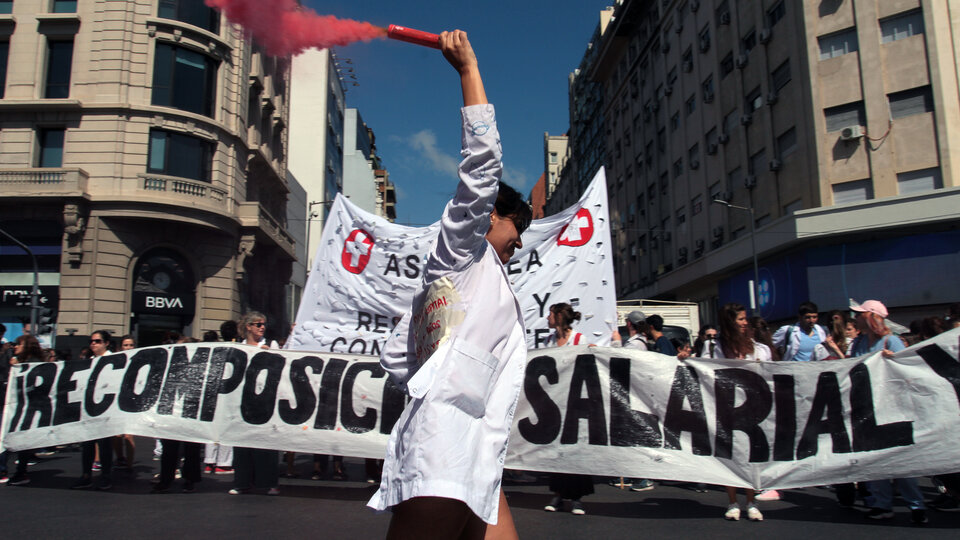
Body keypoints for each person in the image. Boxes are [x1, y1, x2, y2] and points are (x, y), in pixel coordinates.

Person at [368, 30, 530, 540]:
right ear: (489, 218)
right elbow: (481, 170)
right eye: (516, 228)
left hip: (478, 455)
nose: (519, 243)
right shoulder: (460, 252)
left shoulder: (477, 280)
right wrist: (467, 71)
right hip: (442, 453)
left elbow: (397, 360)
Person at [847, 300, 926, 523]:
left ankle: (916, 505)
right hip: (868, 408)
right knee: (876, 460)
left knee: (902, 462)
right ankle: (882, 503)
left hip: (893, 408)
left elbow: (907, 370)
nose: (856, 318)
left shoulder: (891, 341)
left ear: (872, 316)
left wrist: (893, 359)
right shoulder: (858, 343)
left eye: (860, 314)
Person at [715, 303, 769, 520]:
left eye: (745, 319)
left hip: (753, 409)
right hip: (726, 407)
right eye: (740, 319)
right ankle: (732, 501)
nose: (745, 323)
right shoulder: (716, 347)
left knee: (750, 456)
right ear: (730, 322)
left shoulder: (757, 348)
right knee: (729, 455)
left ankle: (751, 501)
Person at [542, 303, 595, 515]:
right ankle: (558, 493)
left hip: (575, 401)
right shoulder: (548, 341)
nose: (547, 318)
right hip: (556, 402)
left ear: (558, 316)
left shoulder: (579, 339)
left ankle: (576, 497)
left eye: (550, 314)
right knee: (557, 450)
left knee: (575, 448)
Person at [230, 311, 280, 496]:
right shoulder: (239, 346)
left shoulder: (270, 345)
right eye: (258, 324)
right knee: (242, 442)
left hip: (265, 399)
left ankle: (268, 482)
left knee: (266, 443)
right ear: (248, 327)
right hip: (243, 399)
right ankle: (242, 481)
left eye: (263, 324)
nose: (262, 327)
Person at [74, 330, 115, 490]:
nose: (93, 344)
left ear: (106, 343)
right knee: (88, 443)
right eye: (92, 341)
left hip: (106, 408)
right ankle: (86, 475)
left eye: (97, 341)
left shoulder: (114, 360)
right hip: (89, 407)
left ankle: (106, 475)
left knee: (105, 444)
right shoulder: (89, 361)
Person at [6, 335, 47, 486]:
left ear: (28, 346)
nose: (15, 347)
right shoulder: (21, 363)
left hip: (28, 408)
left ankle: (20, 471)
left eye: (19, 344)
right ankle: (19, 470)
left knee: (20, 440)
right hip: (22, 407)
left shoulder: (33, 365)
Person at [112, 335, 138, 469]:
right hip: (116, 401)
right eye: (126, 345)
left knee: (128, 435)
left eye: (131, 345)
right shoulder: (116, 361)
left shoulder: (138, 360)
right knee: (116, 435)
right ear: (121, 347)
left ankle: (129, 464)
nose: (128, 348)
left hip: (131, 401)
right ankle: (120, 458)